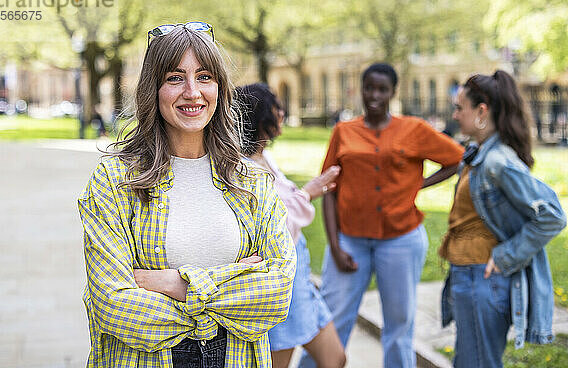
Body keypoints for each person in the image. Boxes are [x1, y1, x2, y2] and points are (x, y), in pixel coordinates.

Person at [77, 22, 296, 367]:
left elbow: (278, 293)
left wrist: (175, 284)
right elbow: (115, 306)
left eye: (205, 76)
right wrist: (230, 286)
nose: (192, 92)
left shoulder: (252, 181)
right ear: (154, 89)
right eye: (175, 78)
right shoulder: (114, 181)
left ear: (220, 89)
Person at [300, 63, 465, 368]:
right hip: (350, 240)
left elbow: (457, 158)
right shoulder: (344, 131)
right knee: (330, 321)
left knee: (399, 326)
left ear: (392, 92)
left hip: (401, 240)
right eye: (369, 88)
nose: (375, 95)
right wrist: (336, 248)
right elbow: (329, 190)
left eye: (382, 89)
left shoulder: (413, 129)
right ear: (361, 89)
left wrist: (419, 184)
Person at [439, 70, 567, 368]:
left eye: (460, 108)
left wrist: (507, 255)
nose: (455, 115)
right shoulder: (477, 154)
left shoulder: (498, 161)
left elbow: (553, 216)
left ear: (481, 111)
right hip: (468, 276)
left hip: (482, 281)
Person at [236, 83, 346, 368]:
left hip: (300, 275)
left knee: (335, 357)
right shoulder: (242, 168)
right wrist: (309, 192)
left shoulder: (263, 157)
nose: (282, 113)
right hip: (280, 281)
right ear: (259, 117)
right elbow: (273, 227)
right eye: (276, 107)